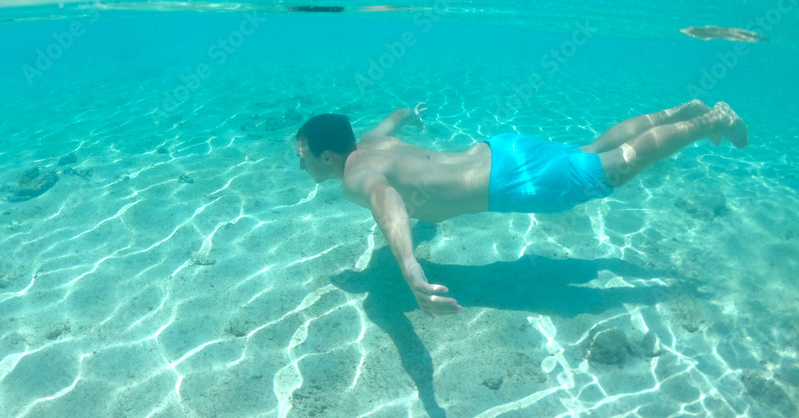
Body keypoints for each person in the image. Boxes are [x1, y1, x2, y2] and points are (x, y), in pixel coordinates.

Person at [295, 100, 748, 316]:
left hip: (510, 181)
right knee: (587, 151)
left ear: (329, 156)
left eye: (303, 155)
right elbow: (393, 115)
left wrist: (411, 267)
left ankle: (712, 120)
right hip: (502, 150)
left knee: (614, 168)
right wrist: (411, 114)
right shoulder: (371, 141)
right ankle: (683, 110)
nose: (301, 162)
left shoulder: (353, 179)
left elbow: (386, 200)